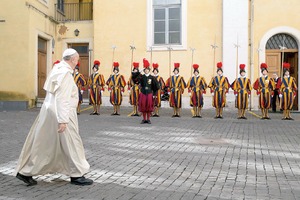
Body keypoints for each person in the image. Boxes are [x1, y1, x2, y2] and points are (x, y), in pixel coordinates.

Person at [15, 48, 93, 186]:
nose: (77, 62)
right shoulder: (65, 74)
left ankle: (25, 172)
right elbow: (63, 98)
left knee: (43, 143)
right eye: (77, 60)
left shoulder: (57, 70)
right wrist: (63, 120)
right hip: (62, 113)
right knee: (72, 143)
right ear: (73, 59)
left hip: (49, 112)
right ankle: (76, 175)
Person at [138, 58, 159, 124]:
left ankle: (148, 119)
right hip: (143, 93)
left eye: (147, 70)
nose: (146, 71)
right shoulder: (141, 77)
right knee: (143, 106)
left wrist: (154, 94)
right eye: (145, 70)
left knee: (149, 106)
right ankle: (144, 119)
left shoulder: (152, 77)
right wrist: (140, 71)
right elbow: (135, 78)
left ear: (149, 70)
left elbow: (156, 86)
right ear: (144, 70)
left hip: (149, 93)